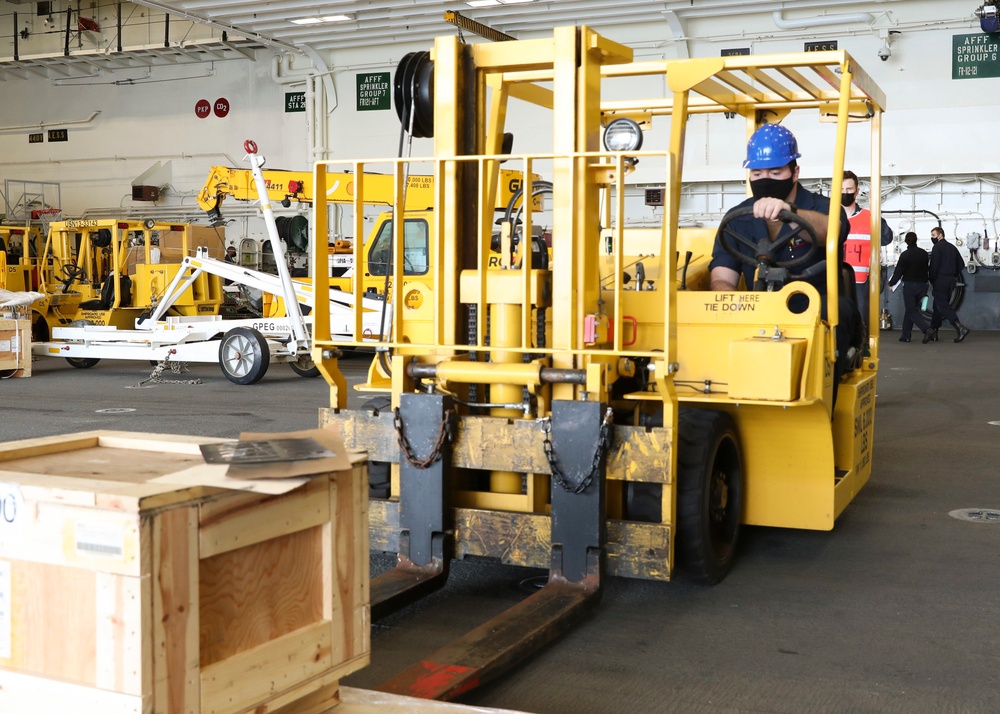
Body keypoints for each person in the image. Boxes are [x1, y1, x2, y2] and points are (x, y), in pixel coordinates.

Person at [709, 123, 855, 385]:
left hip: (814, 307)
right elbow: (722, 276)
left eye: (776, 172)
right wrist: (731, 307)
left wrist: (789, 213)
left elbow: (831, 231)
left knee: (838, 311)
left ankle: (825, 394)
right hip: (758, 308)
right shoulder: (736, 219)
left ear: (794, 172)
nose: (765, 179)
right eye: (757, 173)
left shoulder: (822, 207)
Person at [840, 170, 893, 331]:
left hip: (861, 285)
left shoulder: (869, 217)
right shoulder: (827, 218)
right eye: (841, 190)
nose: (845, 193)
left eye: (849, 190)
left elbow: (886, 238)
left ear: (857, 191)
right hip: (833, 282)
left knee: (861, 329)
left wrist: (876, 212)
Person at [924, 226, 970, 343]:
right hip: (951, 281)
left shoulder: (937, 248)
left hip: (940, 280)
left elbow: (933, 267)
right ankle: (933, 331)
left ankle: (960, 327)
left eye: (933, 235)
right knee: (937, 306)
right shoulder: (952, 247)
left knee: (942, 305)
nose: (932, 238)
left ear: (940, 235)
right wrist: (953, 273)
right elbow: (961, 265)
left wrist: (931, 279)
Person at [887, 231, 929, 342]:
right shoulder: (924, 253)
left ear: (906, 241)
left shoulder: (905, 255)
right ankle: (905, 335)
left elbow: (898, 271)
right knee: (911, 309)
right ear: (916, 240)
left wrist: (891, 283)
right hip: (923, 285)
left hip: (910, 286)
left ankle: (927, 330)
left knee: (911, 310)